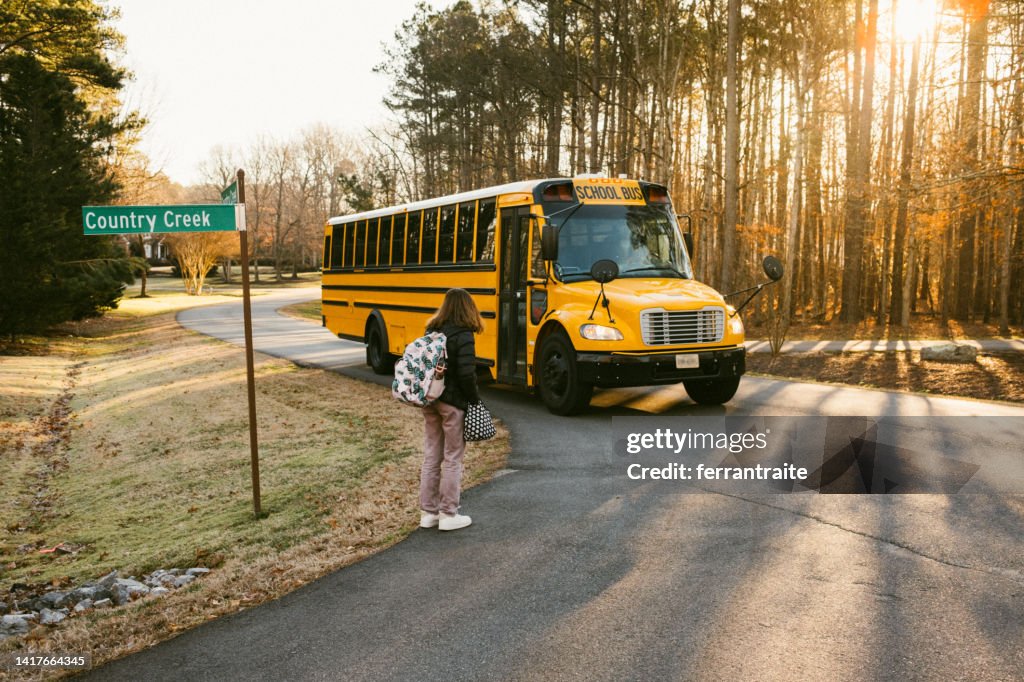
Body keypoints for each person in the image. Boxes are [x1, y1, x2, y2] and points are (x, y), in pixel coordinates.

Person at [419, 288, 483, 531]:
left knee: (432, 455)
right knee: (453, 457)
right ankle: (448, 514)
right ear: (468, 307)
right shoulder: (464, 334)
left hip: (430, 399)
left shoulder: (432, 330)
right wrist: (474, 399)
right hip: (453, 402)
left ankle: (428, 513)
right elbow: (467, 374)